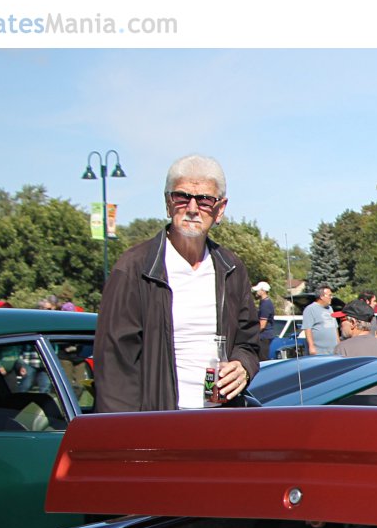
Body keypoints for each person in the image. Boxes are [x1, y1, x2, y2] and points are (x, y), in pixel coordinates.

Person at [93, 153, 259, 412]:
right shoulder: (135, 268)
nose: (192, 208)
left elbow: (249, 342)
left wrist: (243, 366)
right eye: (182, 197)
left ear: (220, 209)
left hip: (220, 420)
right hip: (160, 423)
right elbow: (114, 366)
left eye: (204, 200)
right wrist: (130, 441)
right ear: (168, 203)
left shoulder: (231, 268)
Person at [302, 285, 339, 356]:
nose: (331, 297)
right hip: (319, 352)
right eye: (329, 295)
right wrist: (311, 346)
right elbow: (307, 329)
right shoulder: (310, 309)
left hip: (333, 351)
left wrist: (338, 344)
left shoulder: (330, 309)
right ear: (321, 296)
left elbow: (335, 327)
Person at [253, 281, 276, 360]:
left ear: (263, 291)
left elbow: (262, 325)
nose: (256, 292)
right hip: (264, 336)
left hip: (264, 337)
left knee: (262, 360)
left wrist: (253, 334)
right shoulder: (263, 302)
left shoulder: (266, 304)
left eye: (258, 290)